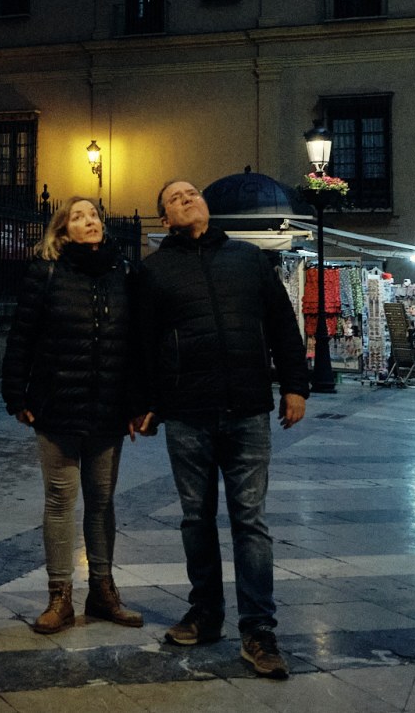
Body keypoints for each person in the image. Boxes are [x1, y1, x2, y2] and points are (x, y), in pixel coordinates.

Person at [131, 179, 309, 680]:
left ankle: (258, 631)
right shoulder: (153, 271)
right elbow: (142, 345)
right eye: (174, 197)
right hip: (187, 414)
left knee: (250, 522)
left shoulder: (249, 260)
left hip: (248, 410)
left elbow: (281, 326)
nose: (187, 198)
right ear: (164, 219)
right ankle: (205, 614)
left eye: (192, 192)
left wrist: (296, 386)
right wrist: (144, 403)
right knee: (196, 519)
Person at [1, 195, 144, 635]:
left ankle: (102, 591)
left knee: (101, 503)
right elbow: (22, 334)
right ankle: (59, 596)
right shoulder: (46, 273)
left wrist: (138, 403)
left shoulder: (123, 273)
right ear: (62, 231)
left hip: (108, 410)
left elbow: (137, 342)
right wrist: (15, 392)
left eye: (94, 215)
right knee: (61, 501)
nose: (90, 221)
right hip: (56, 406)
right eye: (78, 217)